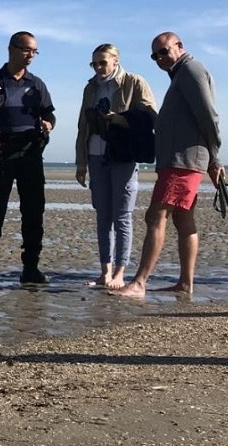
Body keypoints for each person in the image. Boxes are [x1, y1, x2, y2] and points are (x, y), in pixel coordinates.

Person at [110, 32, 223, 298]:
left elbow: (209, 115)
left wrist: (215, 157)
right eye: (155, 55)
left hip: (184, 162)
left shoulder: (191, 70)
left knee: (155, 215)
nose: (160, 58)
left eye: (164, 51)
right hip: (179, 160)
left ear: (180, 47)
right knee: (183, 220)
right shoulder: (180, 74)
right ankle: (185, 284)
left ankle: (139, 283)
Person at [0, 31, 56, 286]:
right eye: (27, 50)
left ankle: (31, 268)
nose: (31, 56)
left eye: (35, 51)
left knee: (33, 212)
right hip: (1, 153)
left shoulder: (37, 84)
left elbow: (50, 115)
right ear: (12, 49)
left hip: (30, 153)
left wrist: (48, 123)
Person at [75, 44, 158, 289]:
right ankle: (105, 272)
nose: (99, 68)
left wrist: (120, 118)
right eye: (94, 64)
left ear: (116, 61)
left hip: (123, 154)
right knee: (103, 216)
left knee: (122, 216)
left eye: (103, 62)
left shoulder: (134, 82)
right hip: (95, 154)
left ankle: (120, 273)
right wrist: (81, 162)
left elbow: (152, 117)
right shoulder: (90, 87)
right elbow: (83, 126)